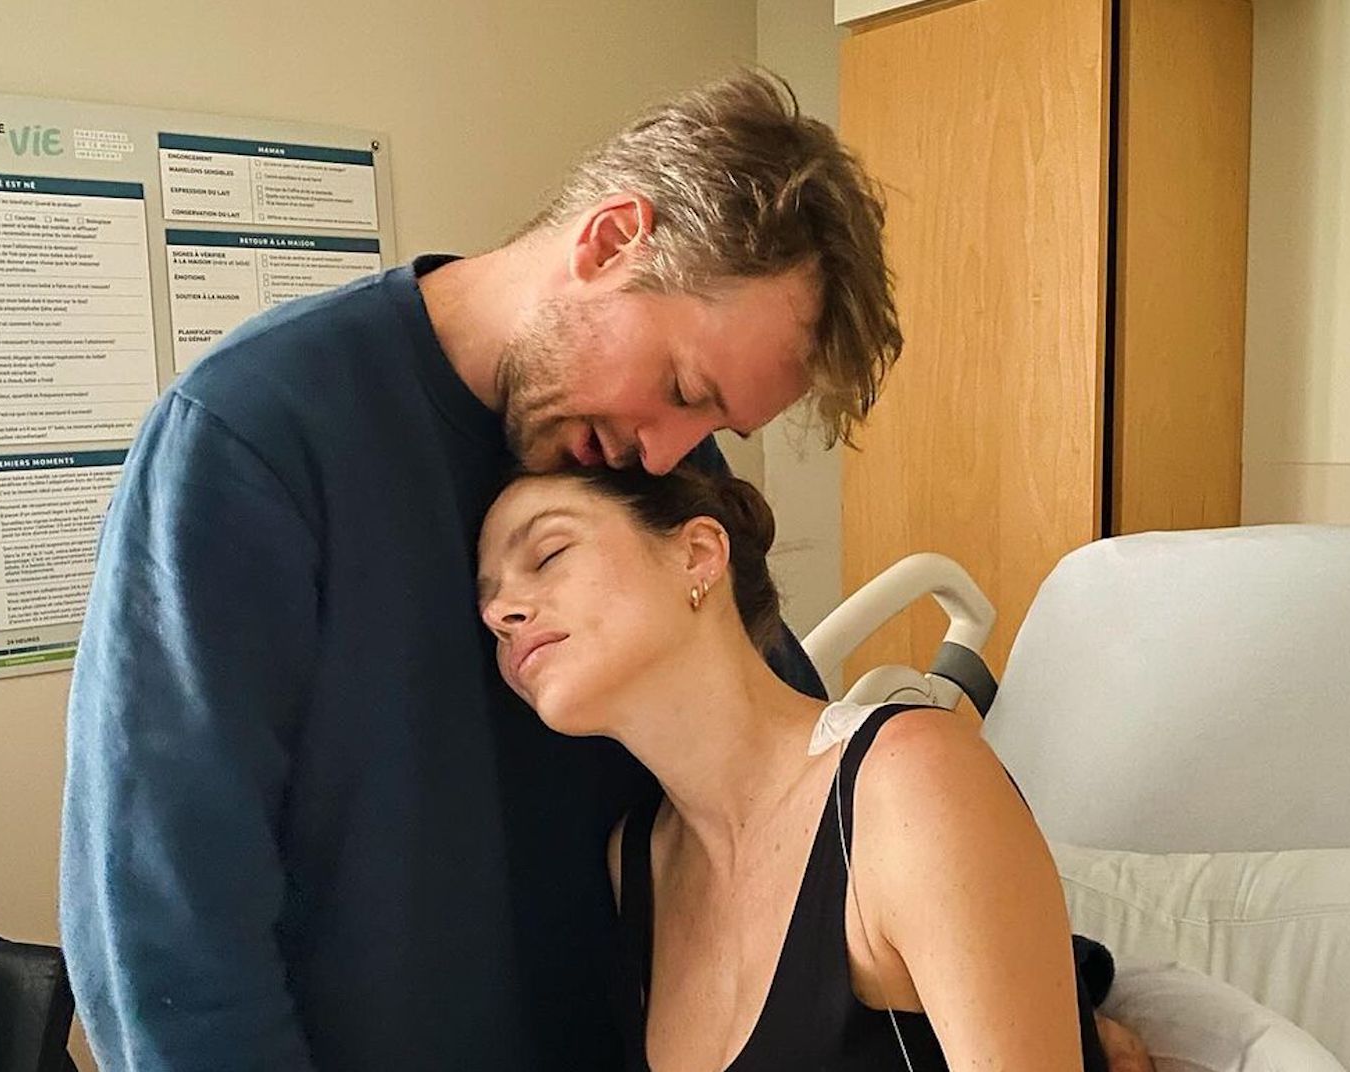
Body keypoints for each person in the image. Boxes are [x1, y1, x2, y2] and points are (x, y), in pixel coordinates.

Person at [61, 69, 1144, 1070]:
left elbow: (792, 788)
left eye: (716, 426)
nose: (674, 453)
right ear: (614, 238)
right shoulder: (255, 441)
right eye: (684, 387)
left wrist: (1037, 979)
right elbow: (165, 924)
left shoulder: (646, 456)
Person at [477, 464, 1155, 1072]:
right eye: (488, 601)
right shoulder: (636, 864)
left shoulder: (910, 782)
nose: (501, 613)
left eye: (549, 553)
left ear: (698, 554)